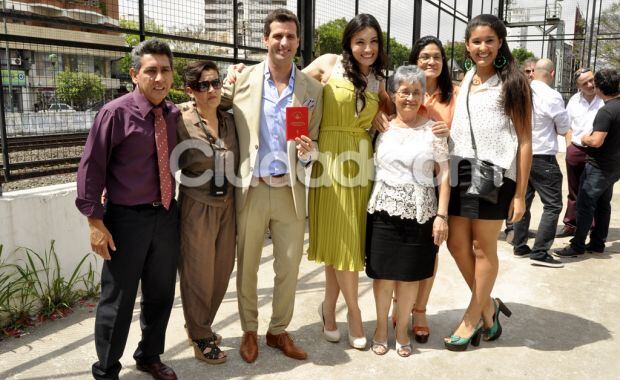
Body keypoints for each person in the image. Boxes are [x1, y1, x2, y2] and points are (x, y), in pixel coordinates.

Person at [220, 8, 323, 363]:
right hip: (251, 189)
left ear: (298, 42)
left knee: (289, 267)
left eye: (290, 36)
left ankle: (278, 330)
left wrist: (309, 154)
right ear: (265, 39)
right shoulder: (241, 78)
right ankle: (249, 330)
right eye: (277, 35)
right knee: (247, 263)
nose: (283, 42)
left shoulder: (313, 90)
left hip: (290, 191)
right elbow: (215, 109)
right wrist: (223, 79)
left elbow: (311, 144)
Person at [76, 39, 180, 380]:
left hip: (165, 215)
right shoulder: (115, 113)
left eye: (165, 70)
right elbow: (91, 170)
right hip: (125, 219)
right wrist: (95, 222)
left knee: (161, 293)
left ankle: (149, 355)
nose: (159, 78)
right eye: (151, 71)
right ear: (135, 74)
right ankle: (106, 368)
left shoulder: (173, 113)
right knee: (117, 301)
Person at [301, 13, 392, 350]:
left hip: (361, 161)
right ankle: (353, 311)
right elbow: (292, 89)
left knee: (343, 244)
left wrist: (382, 113)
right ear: (348, 43)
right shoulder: (329, 64)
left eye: (372, 42)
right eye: (360, 41)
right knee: (344, 242)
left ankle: (328, 308)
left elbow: (394, 114)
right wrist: (297, 135)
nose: (367, 49)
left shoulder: (378, 80)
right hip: (330, 160)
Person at [445, 14, 532, 351]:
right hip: (460, 170)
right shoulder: (467, 77)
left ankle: (472, 319)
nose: (482, 47)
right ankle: (489, 307)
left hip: (495, 174)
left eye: (489, 41)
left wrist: (521, 195)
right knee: (456, 244)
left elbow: (525, 141)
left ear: (500, 43)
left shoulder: (513, 82)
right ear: (467, 46)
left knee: (483, 248)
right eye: (476, 41)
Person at [366, 65, 450, 357]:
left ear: (424, 96)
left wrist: (441, 216)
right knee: (383, 276)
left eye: (417, 92)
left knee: (410, 277)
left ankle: (401, 329)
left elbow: (444, 175)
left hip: (421, 214)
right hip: (383, 211)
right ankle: (380, 328)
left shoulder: (433, 131)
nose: (411, 98)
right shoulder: (382, 127)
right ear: (393, 94)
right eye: (404, 91)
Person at [387, 35, 459, 344]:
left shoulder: (454, 95)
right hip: (402, 180)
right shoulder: (404, 88)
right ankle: (397, 305)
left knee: (430, 248)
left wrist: (450, 131)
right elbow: (385, 118)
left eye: (436, 56)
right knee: (398, 247)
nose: (430, 61)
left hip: (439, 177)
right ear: (414, 60)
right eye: (424, 56)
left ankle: (419, 309)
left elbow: (464, 135)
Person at [175, 60, 239, 364]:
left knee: (221, 272)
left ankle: (200, 324)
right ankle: (201, 335)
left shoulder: (229, 118)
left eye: (215, 82)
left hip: (228, 205)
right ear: (190, 90)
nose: (211, 89)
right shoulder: (180, 118)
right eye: (203, 85)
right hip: (197, 206)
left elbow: (237, 94)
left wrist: (233, 80)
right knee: (198, 274)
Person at [554, 69, 620, 257]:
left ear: (599, 88)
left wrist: (585, 138)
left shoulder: (606, 110)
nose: (591, 86)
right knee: (602, 204)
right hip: (612, 165)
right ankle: (598, 243)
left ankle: (577, 245)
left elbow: (596, 140)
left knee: (585, 204)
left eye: (593, 82)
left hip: (598, 166)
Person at [512, 58, 569, 268]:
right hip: (543, 156)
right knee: (553, 204)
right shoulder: (552, 96)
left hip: (521, 155)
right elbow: (563, 128)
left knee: (523, 200)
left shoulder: (521, 92)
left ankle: (519, 244)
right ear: (552, 74)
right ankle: (540, 251)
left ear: (534, 72)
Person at [558, 68, 604, 237]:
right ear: (578, 86)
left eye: (592, 80)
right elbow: (567, 126)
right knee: (574, 190)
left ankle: (591, 227)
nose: (591, 84)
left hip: (598, 151)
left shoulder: (604, 99)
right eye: (585, 83)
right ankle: (571, 224)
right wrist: (570, 147)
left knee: (593, 191)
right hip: (576, 149)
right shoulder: (574, 101)